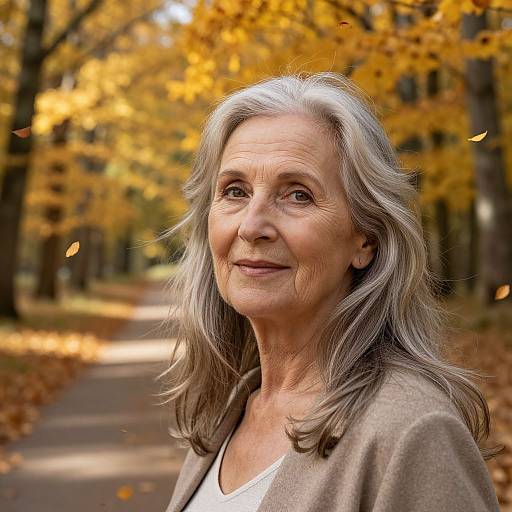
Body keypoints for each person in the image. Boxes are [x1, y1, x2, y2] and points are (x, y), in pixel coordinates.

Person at [155, 72, 502, 512]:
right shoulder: (232, 409)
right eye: (235, 191)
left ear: (366, 239)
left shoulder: (412, 432)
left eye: (298, 195)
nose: (252, 225)